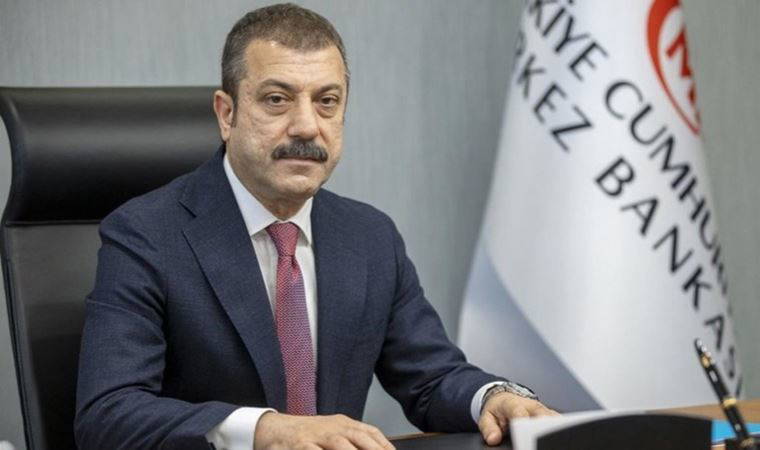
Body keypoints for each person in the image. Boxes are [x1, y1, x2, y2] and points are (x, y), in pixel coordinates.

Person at [74, 4, 557, 450]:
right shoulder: (146, 235)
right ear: (227, 114)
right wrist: (265, 430)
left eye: (327, 101)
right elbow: (109, 414)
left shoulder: (369, 237)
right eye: (277, 99)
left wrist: (494, 397)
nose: (307, 126)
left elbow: (431, 378)